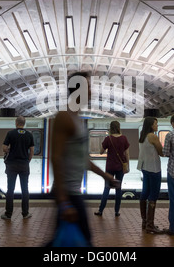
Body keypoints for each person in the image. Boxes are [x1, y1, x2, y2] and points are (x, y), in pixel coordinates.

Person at [49, 71, 119, 246]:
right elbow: (56, 158)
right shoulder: (64, 117)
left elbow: (83, 159)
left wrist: (106, 177)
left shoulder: (77, 119)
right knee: (83, 240)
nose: (91, 92)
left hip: (73, 192)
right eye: (88, 87)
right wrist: (63, 200)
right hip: (69, 194)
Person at [1, 116, 35, 220]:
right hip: (24, 165)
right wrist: (27, 160)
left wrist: (10, 151)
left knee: (10, 189)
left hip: (11, 165)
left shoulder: (10, 133)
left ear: (16, 123)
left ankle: (8, 214)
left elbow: (4, 148)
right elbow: (32, 151)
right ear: (24, 123)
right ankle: (25, 213)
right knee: (25, 189)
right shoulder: (29, 135)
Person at [94, 121, 130, 217]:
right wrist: (127, 166)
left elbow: (101, 152)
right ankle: (116, 211)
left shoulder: (108, 139)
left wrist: (103, 146)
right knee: (118, 189)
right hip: (120, 168)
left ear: (110, 128)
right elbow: (127, 153)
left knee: (106, 188)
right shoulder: (124, 138)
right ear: (119, 127)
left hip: (110, 167)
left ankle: (101, 210)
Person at [137, 116, 166, 234]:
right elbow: (161, 152)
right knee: (153, 195)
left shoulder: (142, 136)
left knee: (145, 192)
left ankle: (145, 221)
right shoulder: (153, 136)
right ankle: (150, 225)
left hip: (145, 167)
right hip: (154, 169)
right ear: (150, 125)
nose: (157, 126)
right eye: (155, 124)